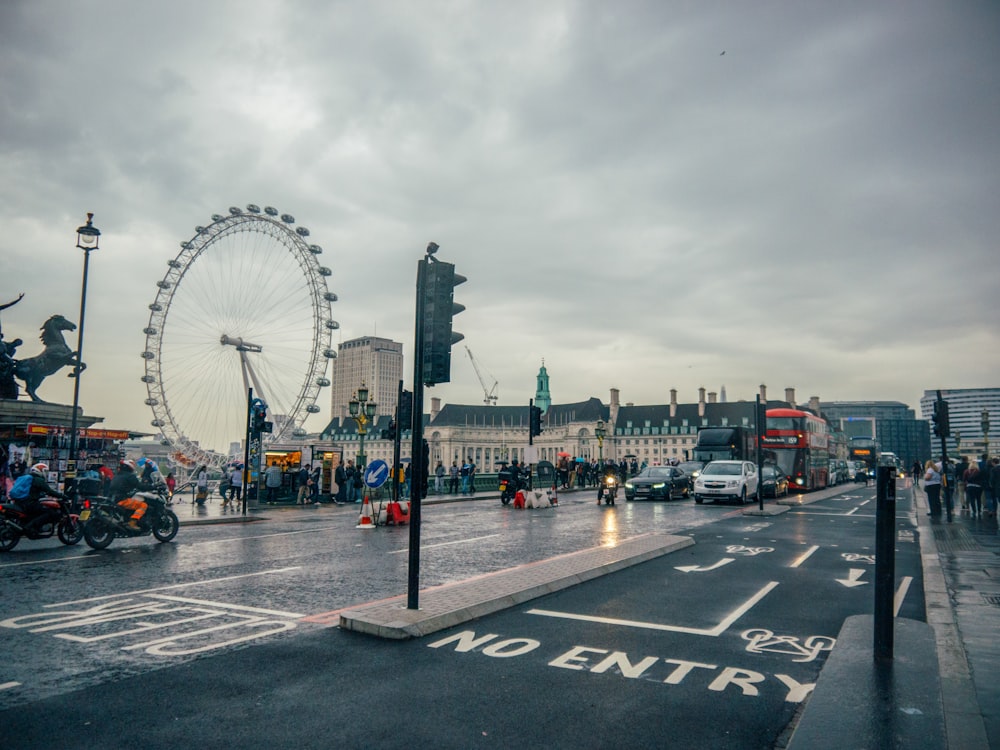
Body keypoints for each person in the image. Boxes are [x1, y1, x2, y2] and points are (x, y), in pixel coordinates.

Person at [16, 462, 66, 531]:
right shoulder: (38, 480)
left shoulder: (28, 478)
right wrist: (62, 496)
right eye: (44, 471)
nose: (45, 473)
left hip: (20, 503)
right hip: (30, 504)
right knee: (49, 512)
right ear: (40, 471)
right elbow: (49, 491)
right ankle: (31, 526)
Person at [109, 459, 150, 530]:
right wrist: (152, 487)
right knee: (143, 505)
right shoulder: (130, 476)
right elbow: (140, 486)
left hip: (112, 499)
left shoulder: (117, 475)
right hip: (122, 499)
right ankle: (132, 523)